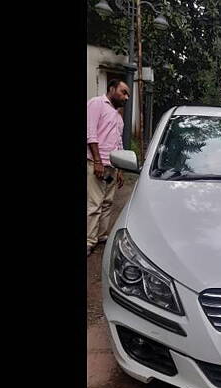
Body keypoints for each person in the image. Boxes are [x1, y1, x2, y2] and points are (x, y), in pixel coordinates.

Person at [87, 79, 130, 257]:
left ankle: (102, 236)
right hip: (97, 164)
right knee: (95, 204)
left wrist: (120, 169)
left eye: (127, 94)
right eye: (123, 92)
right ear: (112, 89)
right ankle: (89, 241)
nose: (126, 97)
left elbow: (118, 143)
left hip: (112, 166)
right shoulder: (96, 104)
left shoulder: (118, 116)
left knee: (107, 203)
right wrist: (97, 161)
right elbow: (91, 133)